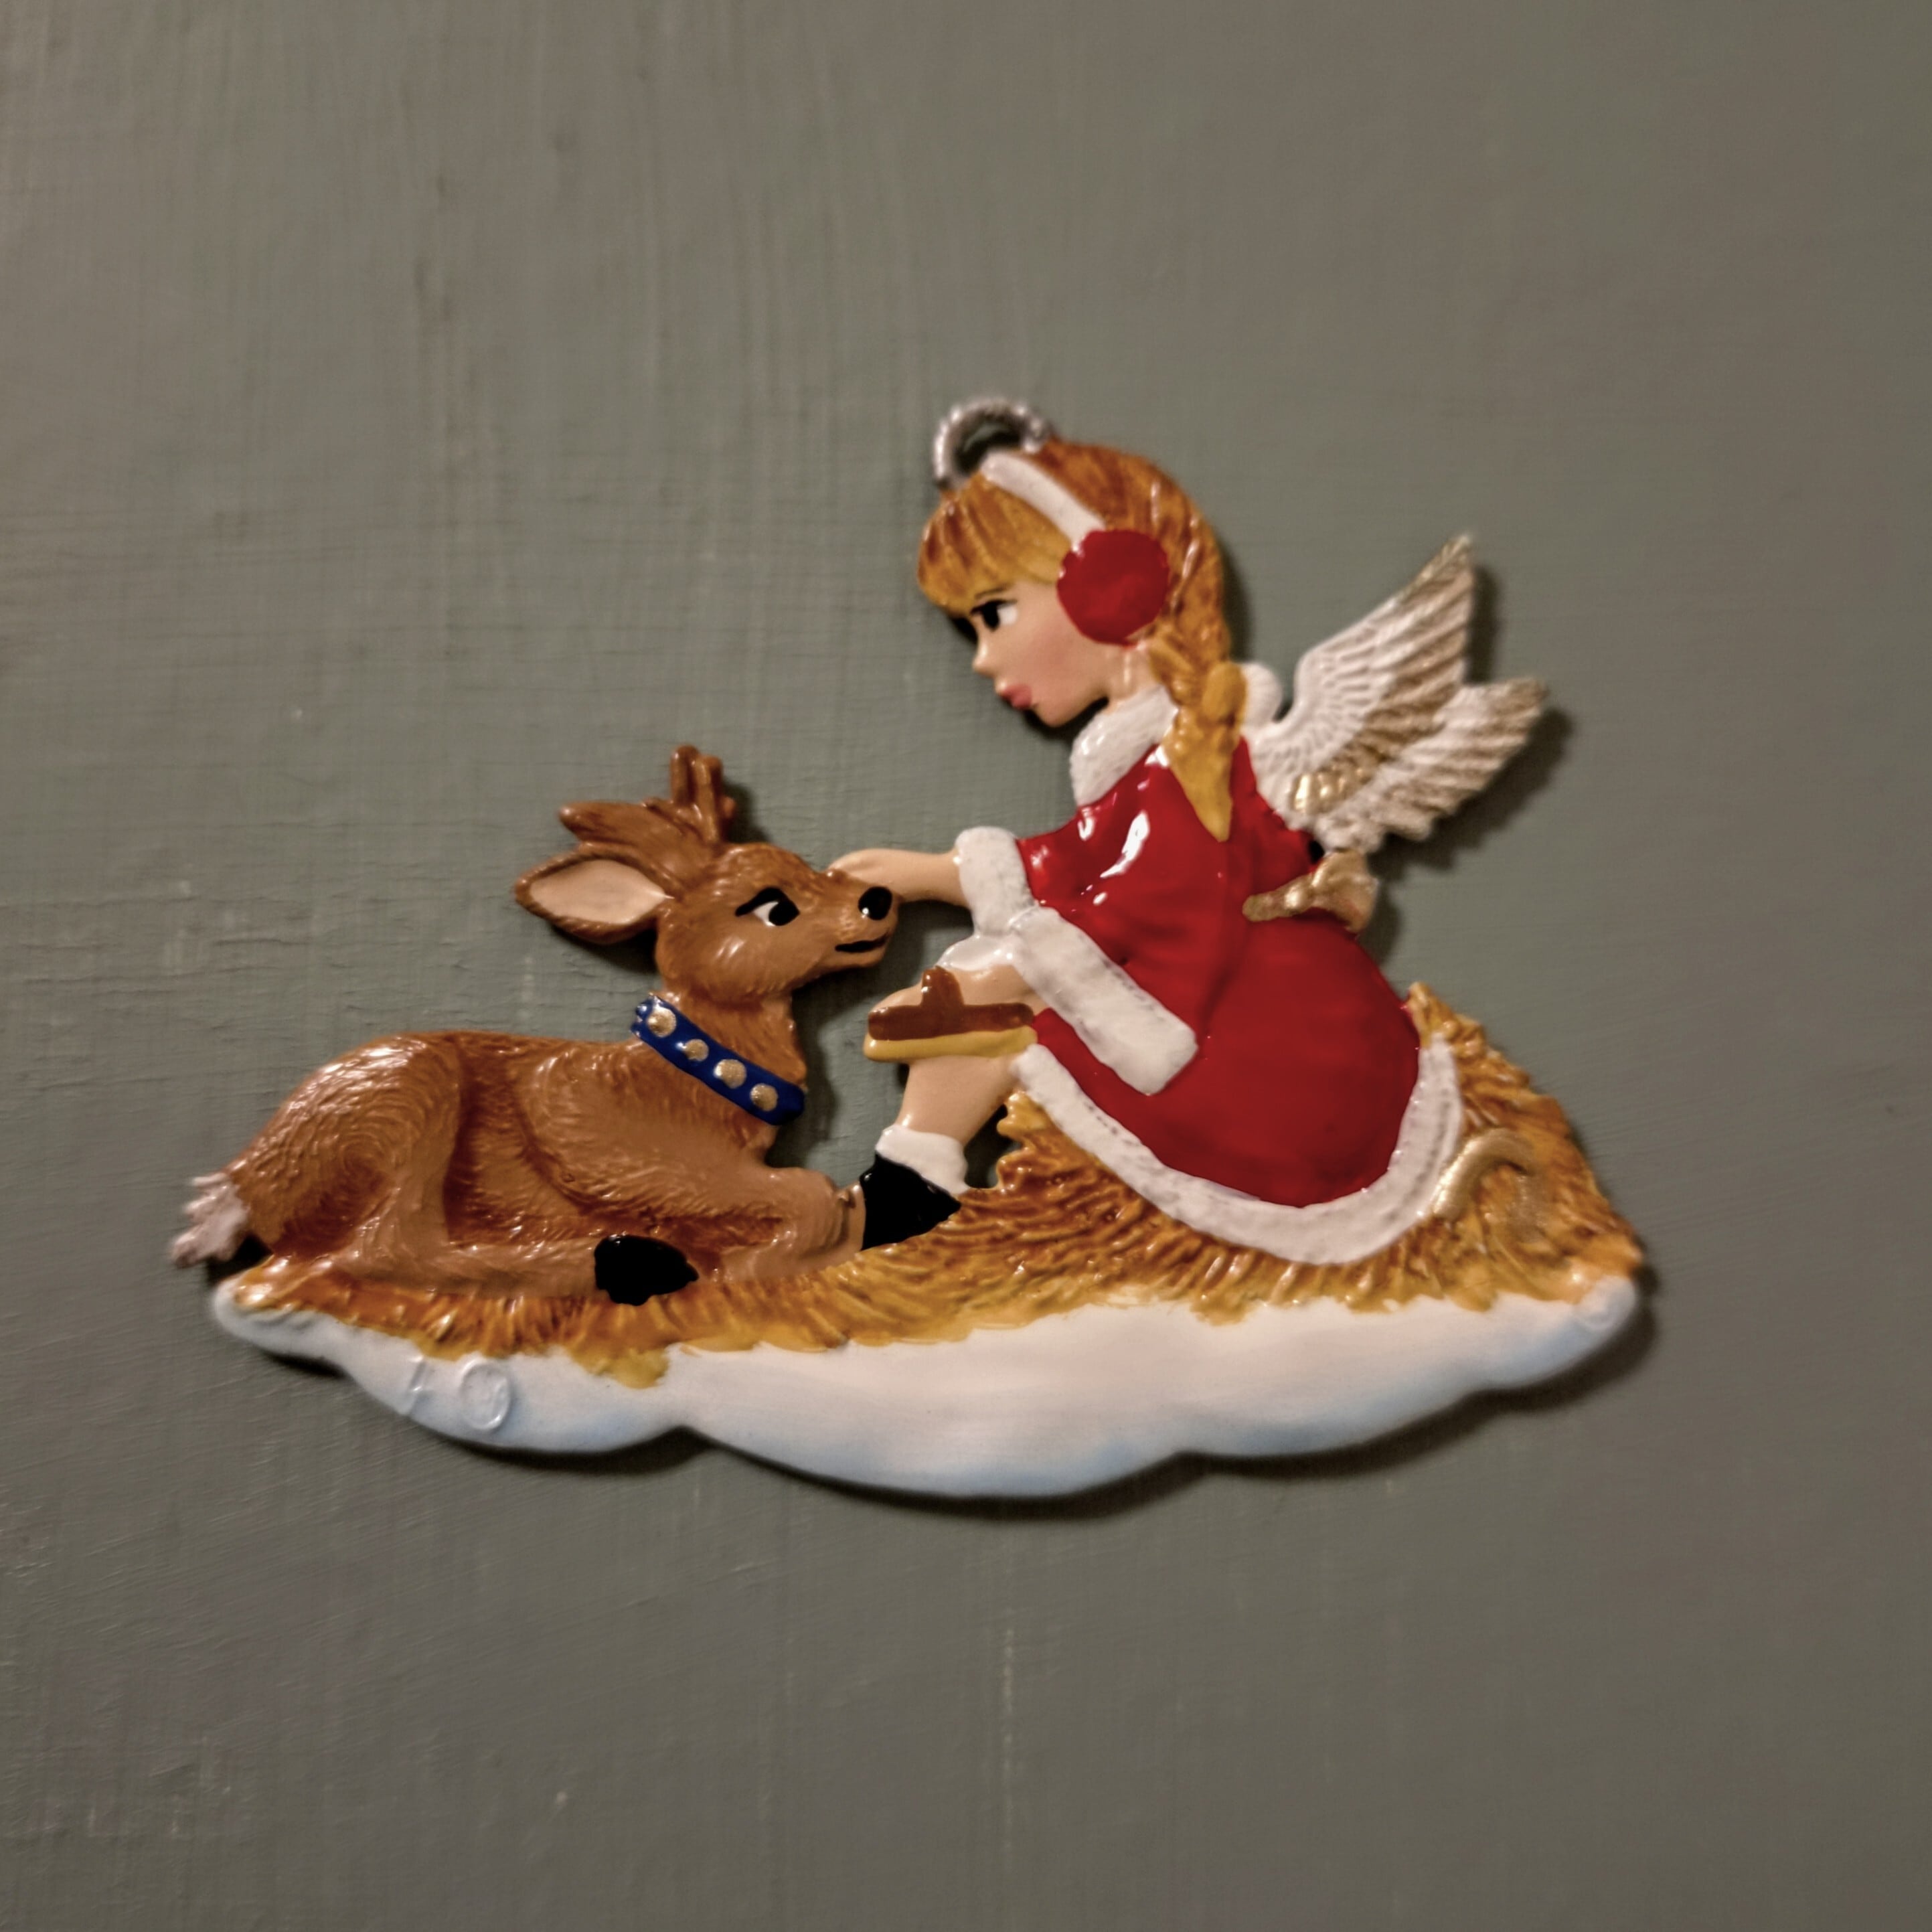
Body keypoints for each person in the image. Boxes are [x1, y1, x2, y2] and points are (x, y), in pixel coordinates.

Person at [834, 408, 1425, 1250]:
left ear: (1111, 590)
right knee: (985, 988)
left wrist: (1006, 970)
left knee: (995, 1003)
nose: (983, 657)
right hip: (1237, 1024)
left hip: (1282, 1063)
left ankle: (907, 1192)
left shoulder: (1200, 755)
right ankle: (908, 1184)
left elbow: (1155, 899)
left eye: (995, 615)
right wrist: (932, 874)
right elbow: (1079, 861)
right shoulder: (1143, 756)